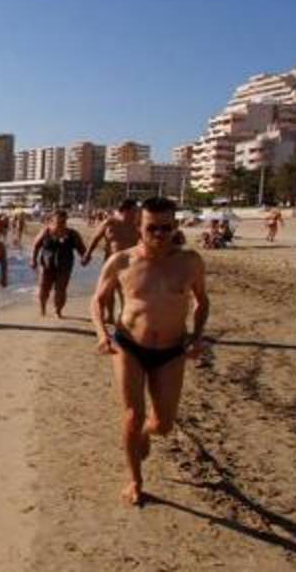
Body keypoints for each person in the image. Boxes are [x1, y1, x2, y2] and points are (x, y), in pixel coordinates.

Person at [92, 197, 210, 506]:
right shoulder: (122, 261)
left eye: (166, 228)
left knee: (164, 425)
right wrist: (101, 333)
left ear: (175, 226)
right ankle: (134, 479)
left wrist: (198, 337)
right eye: (152, 228)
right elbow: (97, 300)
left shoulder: (190, 262)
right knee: (132, 415)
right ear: (139, 226)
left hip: (172, 350)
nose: (159, 234)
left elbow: (201, 301)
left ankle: (147, 431)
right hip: (129, 345)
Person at [83, 200, 142, 322]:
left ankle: (125, 314)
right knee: (109, 288)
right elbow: (96, 238)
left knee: (126, 289)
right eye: (134, 210)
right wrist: (88, 254)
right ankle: (110, 315)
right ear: (126, 210)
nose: (136, 213)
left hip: (131, 262)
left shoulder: (137, 225)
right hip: (111, 260)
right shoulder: (110, 222)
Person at [31, 209, 87, 318]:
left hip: (65, 265)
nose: (61, 224)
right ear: (52, 221)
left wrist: (84, 258)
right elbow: (36, 246)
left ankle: (58, 311)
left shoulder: (72, 234)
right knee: (44, 287)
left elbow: (81, 249)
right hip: (46, 264)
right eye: (58, 222)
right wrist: (33, 260)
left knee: (61, 289)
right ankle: (43, 308)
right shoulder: (46, 231)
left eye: (63, 222)